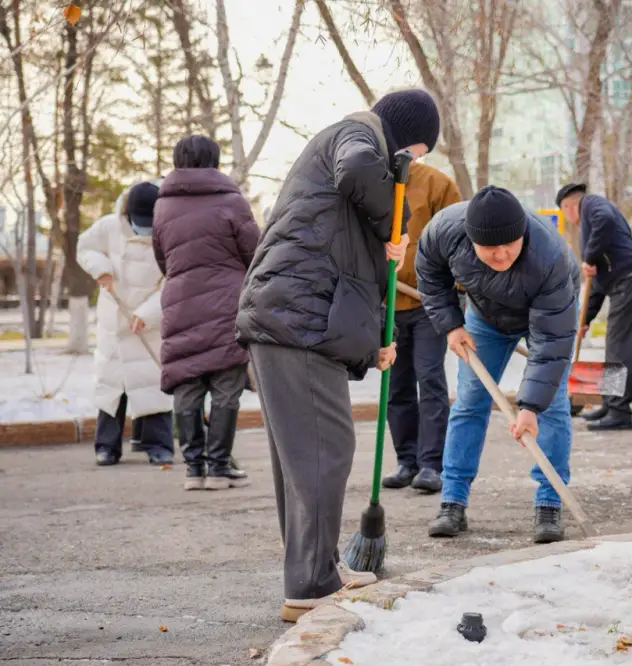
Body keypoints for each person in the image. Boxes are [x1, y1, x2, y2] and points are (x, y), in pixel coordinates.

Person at [235, 88, 439, 623]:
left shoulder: (349, 154)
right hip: (293, 321)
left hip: (294, 319)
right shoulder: (355, 134)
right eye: (416, 155)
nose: (413, 169)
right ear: (403, 137)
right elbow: (357, 174)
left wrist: (375, 337)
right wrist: (392, 219)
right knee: (326, 450)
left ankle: (315, 571)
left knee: (304, 458)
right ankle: (312, 583)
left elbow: (344, 259)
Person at [417, 185, 579, 544]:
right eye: (490, 248)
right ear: (470, 239)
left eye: (511, 244)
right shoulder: (445, 230)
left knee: (552, 406)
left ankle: (549, 502)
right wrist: (451, 324)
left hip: (547, 315)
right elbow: (429, 271)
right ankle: (452, 500)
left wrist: (530, 407)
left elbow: (552, 344)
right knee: (470, 400)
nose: (502, 253)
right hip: (485, 317)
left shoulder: (549, 257)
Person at [152, 135, 260, 491]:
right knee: (227, 386)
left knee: (186, 381)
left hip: (180, 301)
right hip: (226, 302)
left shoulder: (163, 205)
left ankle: (193, 469)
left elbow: (163, 258)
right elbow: (254, 253)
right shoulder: (231, 201)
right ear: (214, 160)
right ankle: (218, 467)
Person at [77, 181, 174, 466]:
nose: (143, 229)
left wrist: (148, 313)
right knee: (111, 387)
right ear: (127, 215)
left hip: (147, 324)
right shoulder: (109, 226)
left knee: (151, 384)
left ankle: (158, 445)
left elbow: (172, 283)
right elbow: (85, 247)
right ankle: (106, 446)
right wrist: (101, 269)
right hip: (114, 324)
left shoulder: (169, 235)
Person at [382, 162, 462, 493]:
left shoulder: (436, 183)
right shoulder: (373, 183)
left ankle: (431, 464)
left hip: (429, 302)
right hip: (388, 303)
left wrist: (452, 286)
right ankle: (407, 461)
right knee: (396, 385)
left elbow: (458, 236)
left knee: (429, 378)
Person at [557, 183, 632, 431]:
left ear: (568, 206)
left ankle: (620, 412)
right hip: (622, 282)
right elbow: (595, 285)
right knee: (614, 345)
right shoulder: (590, 221)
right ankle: (611, 404)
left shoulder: (591, 205)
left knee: (620, 346)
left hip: (629, 280)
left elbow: (605, 220)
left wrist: (589, 255)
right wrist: (583, 320)